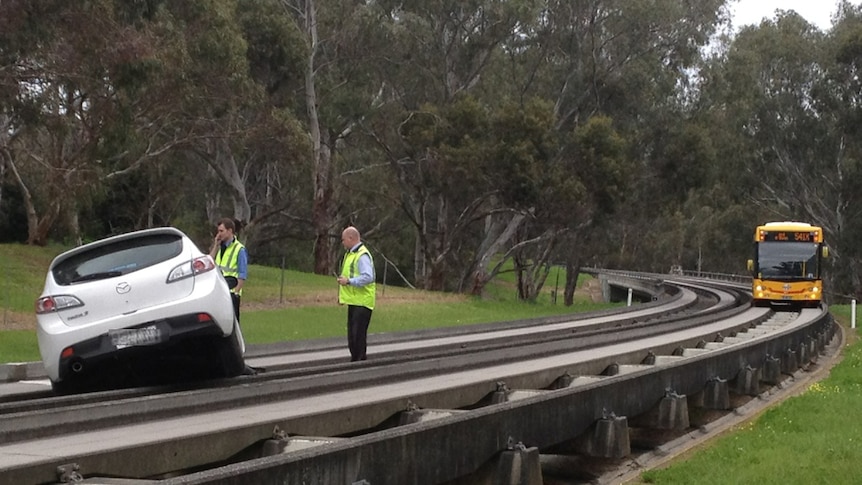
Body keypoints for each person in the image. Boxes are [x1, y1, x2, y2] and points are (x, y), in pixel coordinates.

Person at [336, 226, 376, 361]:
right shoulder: (350, 254)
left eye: (343, 240)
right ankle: (356, 362)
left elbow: (368, 276)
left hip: (362, 302)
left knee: (357, 337)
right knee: (352, 338)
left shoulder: (361, 255)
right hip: (354, 301)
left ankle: (359, 365)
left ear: (351, 238)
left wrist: (349, 281)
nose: (342, 243)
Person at [210, 218, 248, 323]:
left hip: (231, 293)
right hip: (219, 292)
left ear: (230, 231)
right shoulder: (219, 247)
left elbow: (242, 274)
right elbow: (209, 262)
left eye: (221, 231)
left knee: (233, 324)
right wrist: (215, 246)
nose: (219, 234)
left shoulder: (239, 249)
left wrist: (236, 293)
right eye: (218, 231)